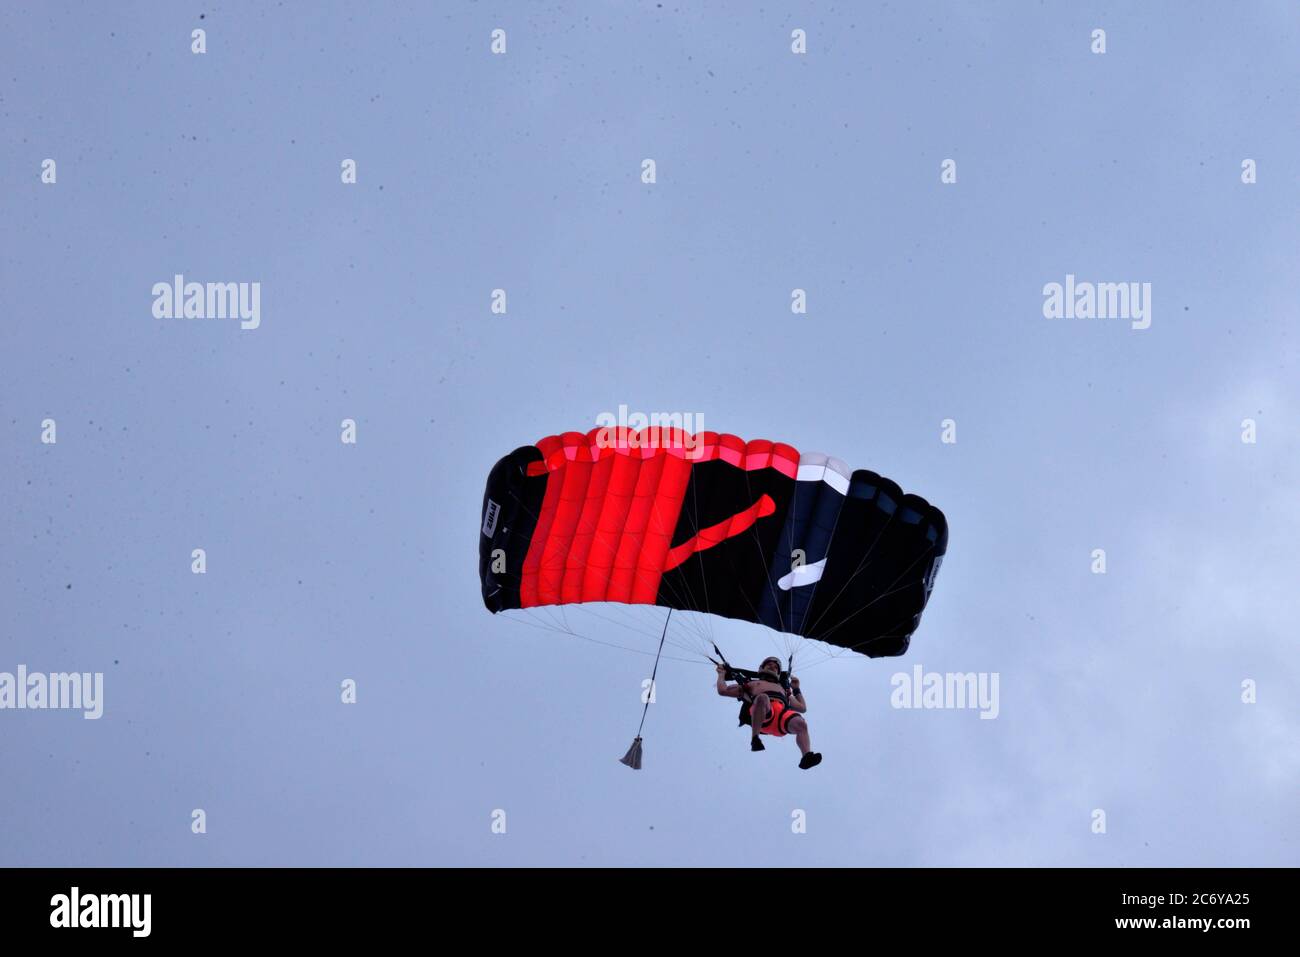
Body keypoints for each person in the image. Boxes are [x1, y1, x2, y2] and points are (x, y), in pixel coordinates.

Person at [716, 656, 822, 769]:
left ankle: (806, 756)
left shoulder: (784, 689)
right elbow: (723, 691)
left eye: (776, 667)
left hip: (782, 718)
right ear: (762, 668)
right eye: (769, 665)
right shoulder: (752, 684)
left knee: (801, 723)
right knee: (763, 698)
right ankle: (755, 739)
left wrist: (796, 689)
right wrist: (721, 674)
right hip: (764, 715)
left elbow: (802, 708)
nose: (773, 667)